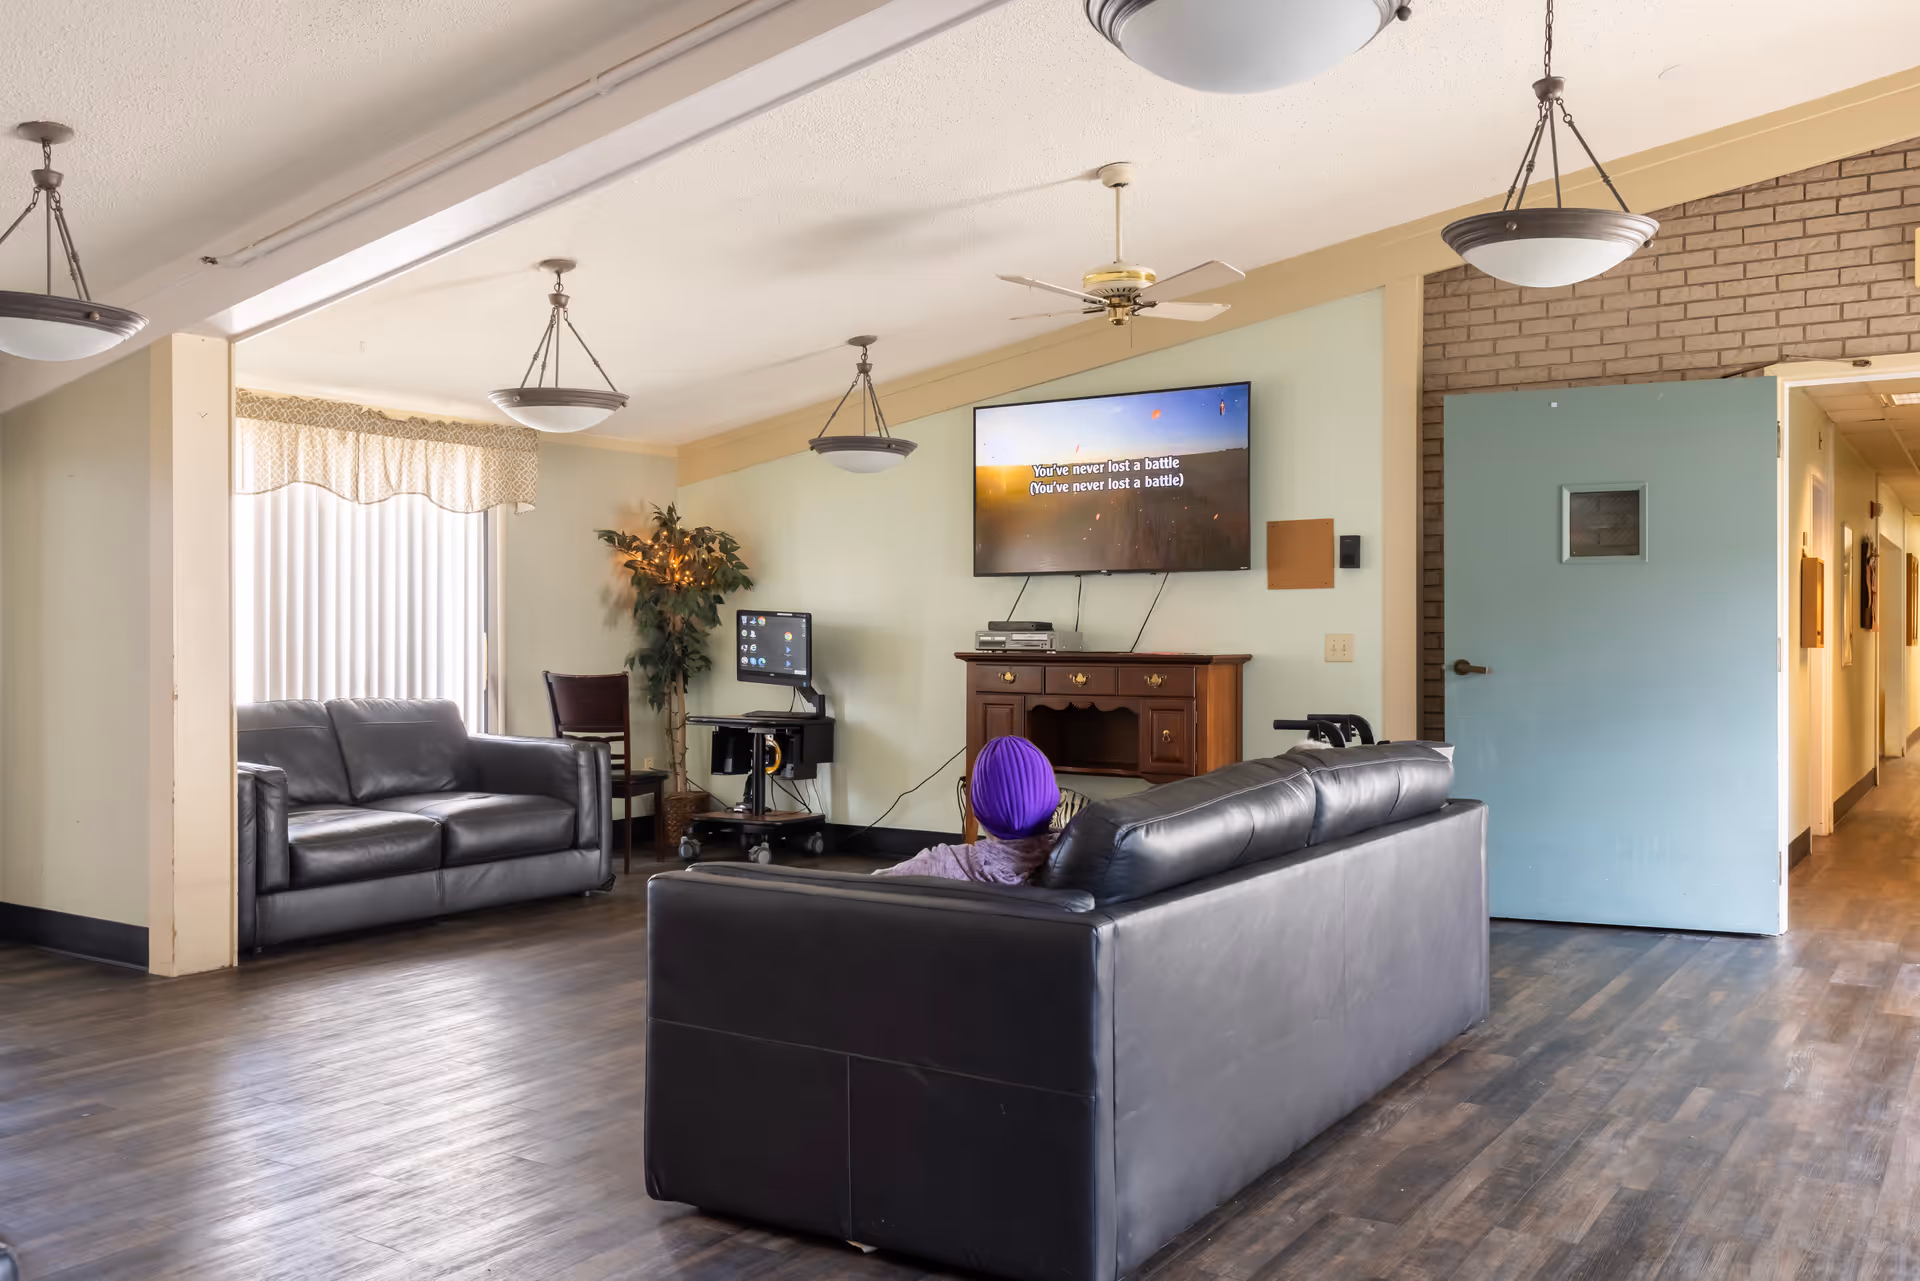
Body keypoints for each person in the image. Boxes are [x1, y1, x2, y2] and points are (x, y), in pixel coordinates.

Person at [873, 735, 1060, 884]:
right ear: (1053, 802)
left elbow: (865, 890)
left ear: (977, 811)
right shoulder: (1076, 859)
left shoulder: (942, 865)